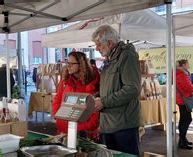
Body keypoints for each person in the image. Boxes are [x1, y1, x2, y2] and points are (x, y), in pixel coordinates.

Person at [92, 25, 142, 155]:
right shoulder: (109, 59)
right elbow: (110, 87)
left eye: (98, 45)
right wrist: (97, 97)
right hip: (109, 123)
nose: (97, 49)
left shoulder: (127, 55)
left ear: (109, 43)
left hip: (123, 125)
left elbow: (132, 89)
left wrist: (104, 102)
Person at [52, 51, 100, 138]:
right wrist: (58, 117)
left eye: (72, 63)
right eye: (68, 63)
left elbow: (95, 109)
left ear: (81, 64)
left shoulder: (93, 82)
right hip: (63, 130)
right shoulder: (65, 81)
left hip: (84, 133)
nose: (68, 66)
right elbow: (58, 98)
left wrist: (82, 128)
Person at [175, 59, 193, 150]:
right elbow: (188, 88)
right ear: (183, 65)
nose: (188, 65)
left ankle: (183, 139)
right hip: (184, 100)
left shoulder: (180, 73)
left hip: (182, 99)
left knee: (184, 119)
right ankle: (182, 140)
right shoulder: (181, 74)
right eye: (187, 64)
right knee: (186, 119)